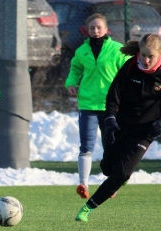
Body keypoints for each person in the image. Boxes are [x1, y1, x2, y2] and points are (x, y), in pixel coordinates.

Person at [75, 33, 161, 222]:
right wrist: (111, 118)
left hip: (145, 131)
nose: (145, 60)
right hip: (120, 124)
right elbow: (113, 95)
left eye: (150, 56)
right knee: (107, 169)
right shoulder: (130, 67)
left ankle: (87, 208)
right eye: (142, 55)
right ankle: (118, 178)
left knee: (121, 174)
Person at [65, 13, 128, 199]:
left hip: (111, 107)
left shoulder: (117, 50)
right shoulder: (81, 51)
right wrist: (70, 83)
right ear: (87, 30)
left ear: (106, 29)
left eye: (99, 27)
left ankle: (112, 184)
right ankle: (83, 184)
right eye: (92, 27)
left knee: (111, 146)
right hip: (87, 104)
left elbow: (127, 71)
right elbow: (75, 69)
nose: (96, 30)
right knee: (86, 146)